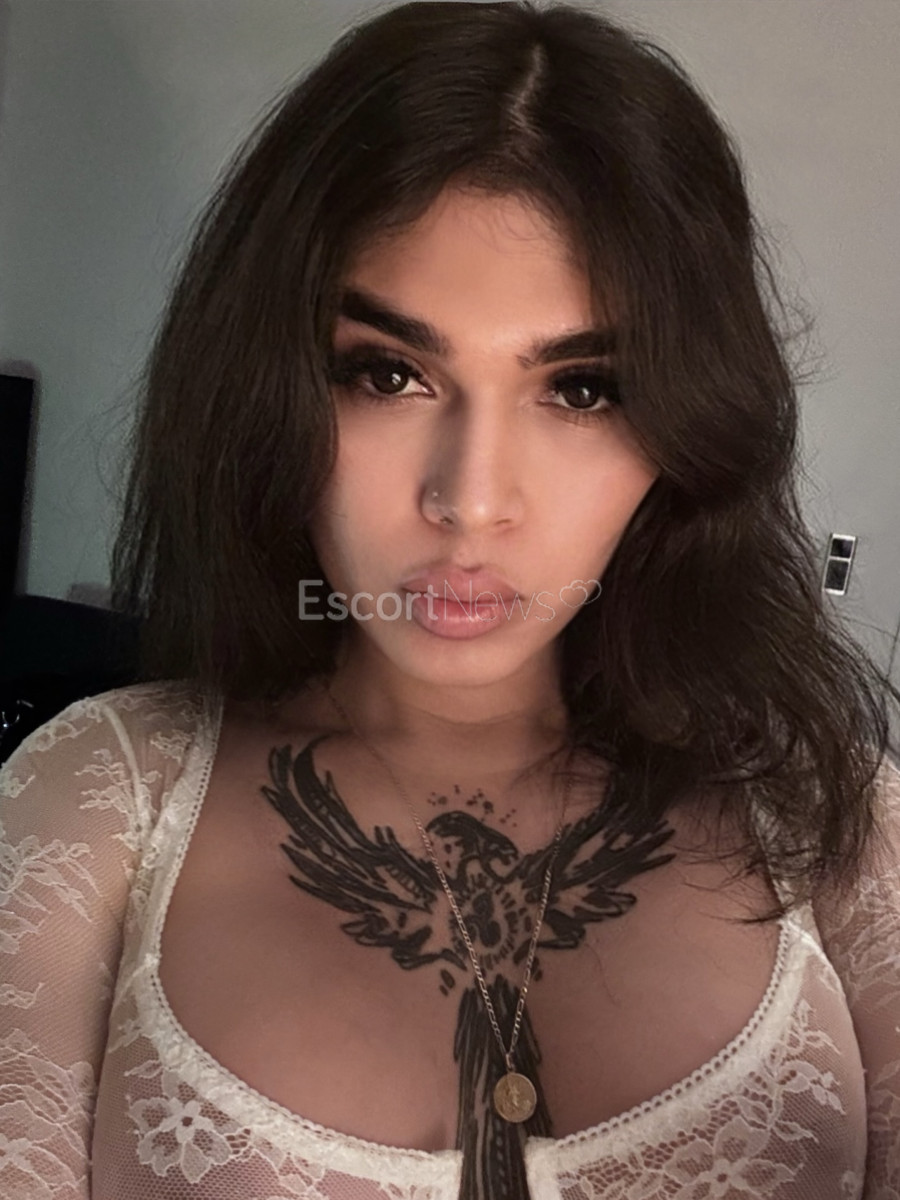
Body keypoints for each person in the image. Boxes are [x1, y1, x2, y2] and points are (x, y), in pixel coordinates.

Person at [1, 2, 898, 1197]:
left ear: (688, 425)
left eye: (583, 388)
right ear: (270, 388)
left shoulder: (833, 815)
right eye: (389, 373)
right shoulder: (96, 803)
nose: (471, 502)